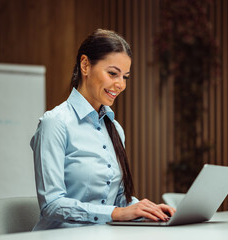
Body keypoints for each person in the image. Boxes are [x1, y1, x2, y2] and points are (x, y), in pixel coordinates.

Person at [30, 29, 176, 230]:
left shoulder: (115, 128)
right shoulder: (55, 123)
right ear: (85, 65)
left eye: (125, 77)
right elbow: (52, 204)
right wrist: (116, 213)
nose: (121, 85)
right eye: (113, 74)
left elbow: (119, 202)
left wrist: (148, 210)